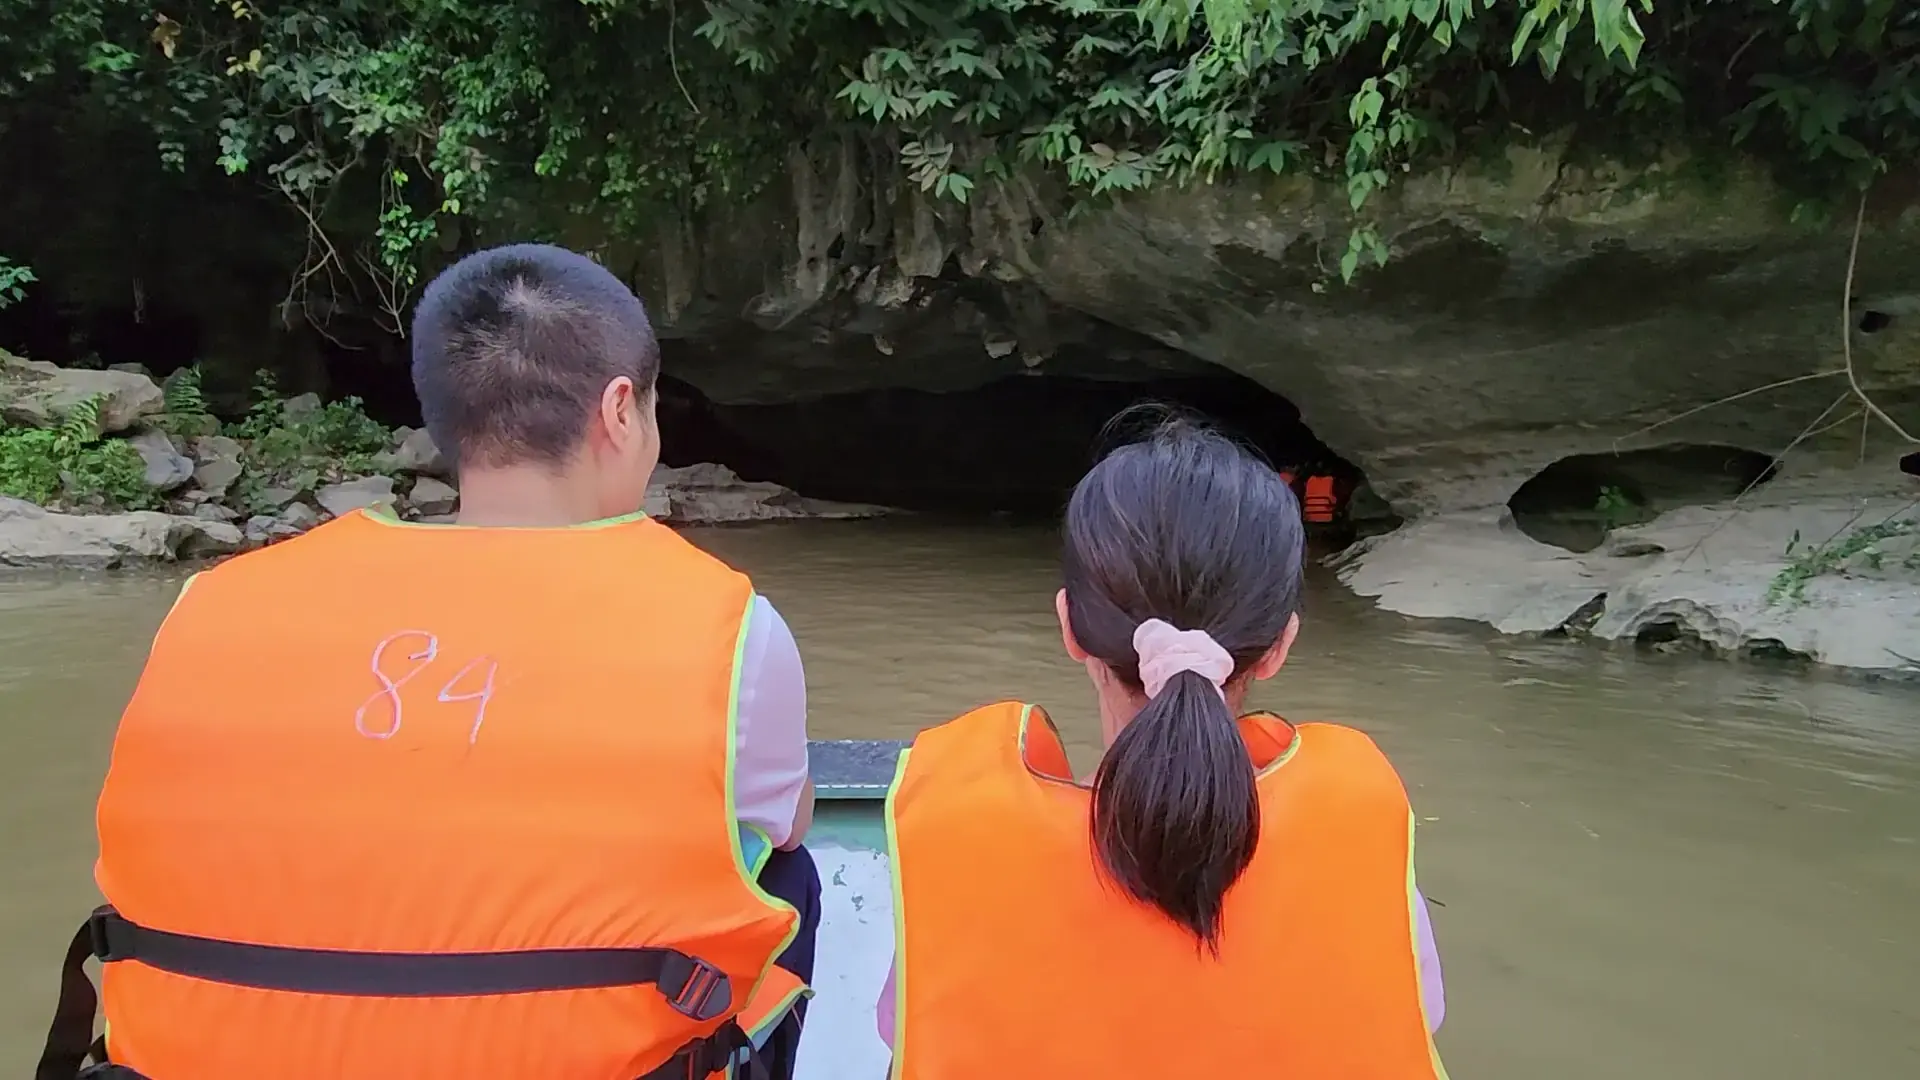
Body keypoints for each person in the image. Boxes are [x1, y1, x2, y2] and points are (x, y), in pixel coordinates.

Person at [36, 244, 819, 1080]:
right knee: (788, 869)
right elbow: (790, 821)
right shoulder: (730, 627)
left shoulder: (212, 604)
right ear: (621, 410)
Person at [873, 415, 1447, 1077]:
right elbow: (1416, 1016)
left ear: (1071, 627)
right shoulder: (1361, 826)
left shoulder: (955, 830)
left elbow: (903, 1033)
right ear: (1280, 645)